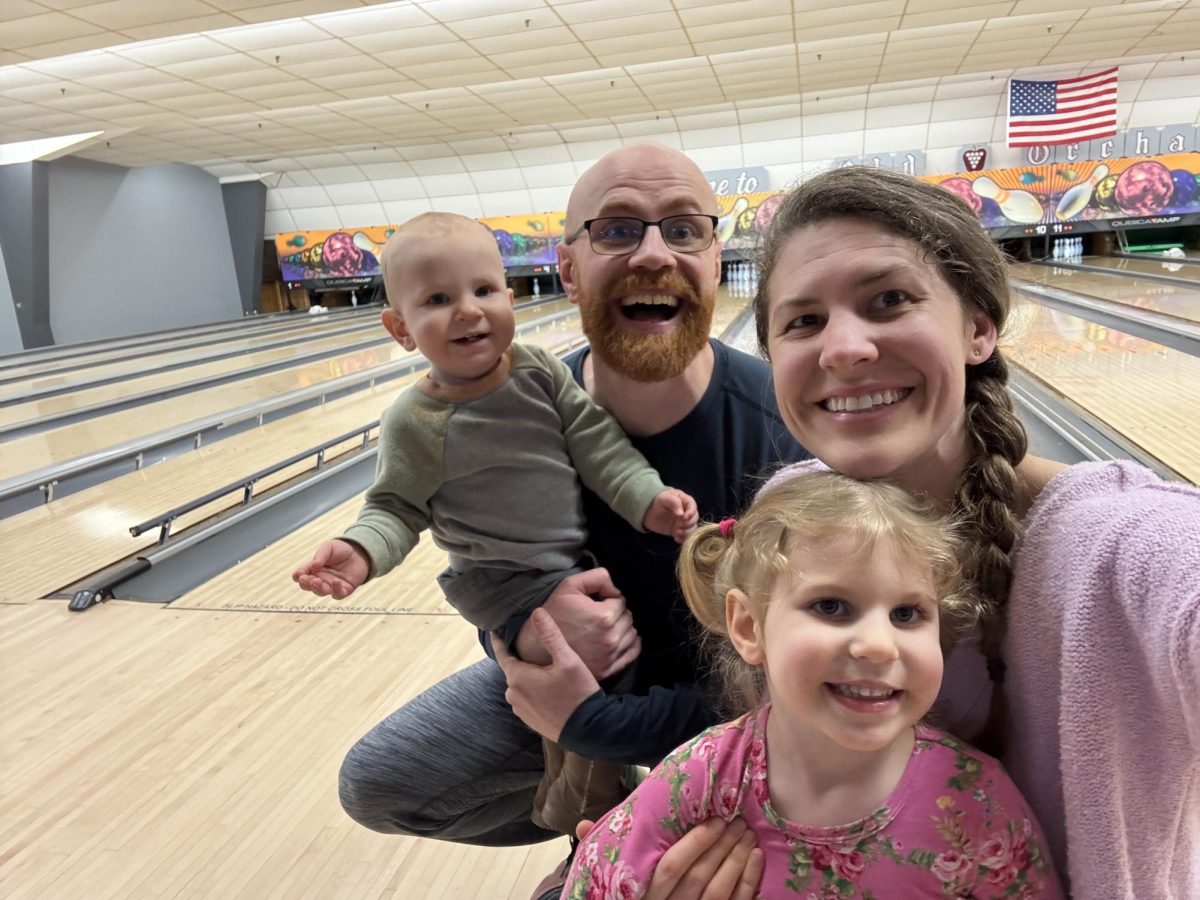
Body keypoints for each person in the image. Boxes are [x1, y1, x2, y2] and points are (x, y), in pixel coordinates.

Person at [333, 144, 807, 897]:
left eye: (684, 229)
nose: (654, 252)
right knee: (380, 784)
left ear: (719, 261)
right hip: (590, 686)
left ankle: (638, 828)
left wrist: (595, 725)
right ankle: (601, 812)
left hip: (744, 720)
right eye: (616, 230)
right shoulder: (506, 410)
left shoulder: (783, 435)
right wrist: (522, 628)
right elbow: (479, 562)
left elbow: (796, 687)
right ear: (566, 269)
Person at [733, 166, 1198, 899]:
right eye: (803, 321)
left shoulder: (1127, 543)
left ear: (979, 327)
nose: (844, 348)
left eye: (889, 300)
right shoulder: (794, 520)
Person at [292, 211, 700, 833]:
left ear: (510, 297)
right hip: (501, 586)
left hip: (567, 568)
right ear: (400, 329)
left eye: (484, 290)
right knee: (593, 675)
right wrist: (360, 549)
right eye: (438, 299)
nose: (468, 310)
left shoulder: (538, 373)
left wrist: (648, 497)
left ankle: (607, 808)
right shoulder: (416, 422)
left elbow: (599, 447)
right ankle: (592, 821)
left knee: (609, 676)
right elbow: (395, 507)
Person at [564, 470, 1064, 898]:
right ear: (747, 626)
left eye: (907, 613)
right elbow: (592, 881)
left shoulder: (979, 803)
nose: (878, 645)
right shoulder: (697, 782)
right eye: (831, 606)